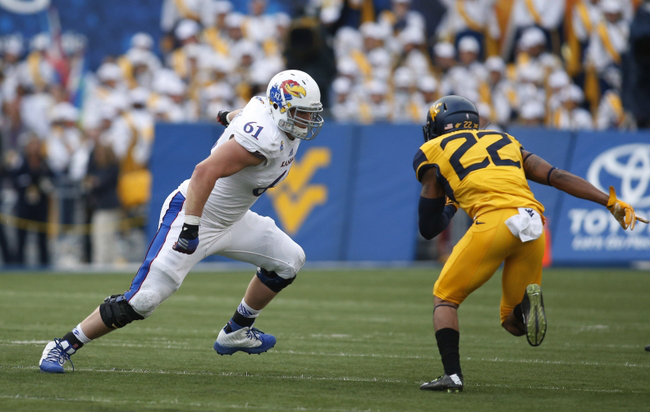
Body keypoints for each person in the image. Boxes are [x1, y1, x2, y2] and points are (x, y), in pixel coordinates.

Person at [38, 69, 325, 373]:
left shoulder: (266, 112)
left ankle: (236, 331)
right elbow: (204, 172)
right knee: (142, 300)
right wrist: (191, 226)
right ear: (279, 108)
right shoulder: (264, 140)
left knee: (289, 260)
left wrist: (227, 116)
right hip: (195, 213)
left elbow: (243, 113)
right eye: (301, 113)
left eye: (310, 114)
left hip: (233, 220)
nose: (307, 121)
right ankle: (63, 345)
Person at [413, 95, 645, 392]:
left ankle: (453, 376)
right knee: (512, 323)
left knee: (445, 297)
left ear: (439, 126)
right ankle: (525, 307)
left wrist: (451, 204)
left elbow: (429, 228)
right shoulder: (505, 139)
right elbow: (555, 175)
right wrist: (609, 202)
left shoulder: (431, 150)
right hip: (534, 225)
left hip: (494, 223)